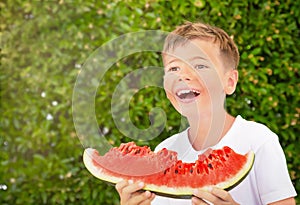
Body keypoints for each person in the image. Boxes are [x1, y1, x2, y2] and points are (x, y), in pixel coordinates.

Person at [115, 21, 297, 205]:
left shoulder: (258, 141)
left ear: (230, 82)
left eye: (200, 66)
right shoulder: (164, 151)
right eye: (173, 68)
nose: (183, 75)